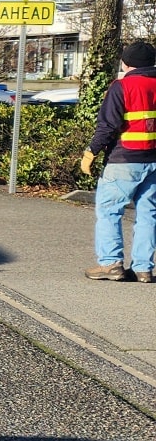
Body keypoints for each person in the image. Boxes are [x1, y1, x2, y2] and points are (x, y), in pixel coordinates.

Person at [81, 39, 156, 283]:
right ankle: (143, 269)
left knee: (110, 212)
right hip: (153, 160)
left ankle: (111, 264)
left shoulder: (121, 86)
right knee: (148, 214)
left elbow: (108, 126)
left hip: (123, 160)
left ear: (126, 63)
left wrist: (91, 152)